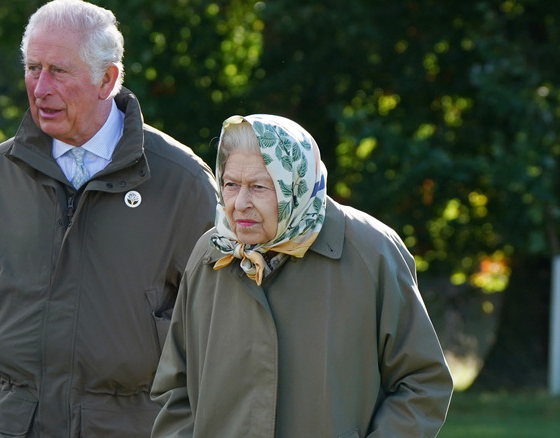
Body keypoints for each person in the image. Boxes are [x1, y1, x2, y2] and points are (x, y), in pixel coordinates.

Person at [0, 1, 218, 436]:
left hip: (129, 424)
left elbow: (217, 303)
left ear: (107, 79)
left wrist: (152, 344)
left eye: (58, 70)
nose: (40, 88)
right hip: (3, 420)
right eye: (33, 68)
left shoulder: (180, 180)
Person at [150, 114, 454, 437]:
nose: (240, 203)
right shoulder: (210, 254)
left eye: (258, 187)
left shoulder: (372, 252)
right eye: (230, 184)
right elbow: (175, 390)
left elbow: (422, 382)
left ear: (294, 185)